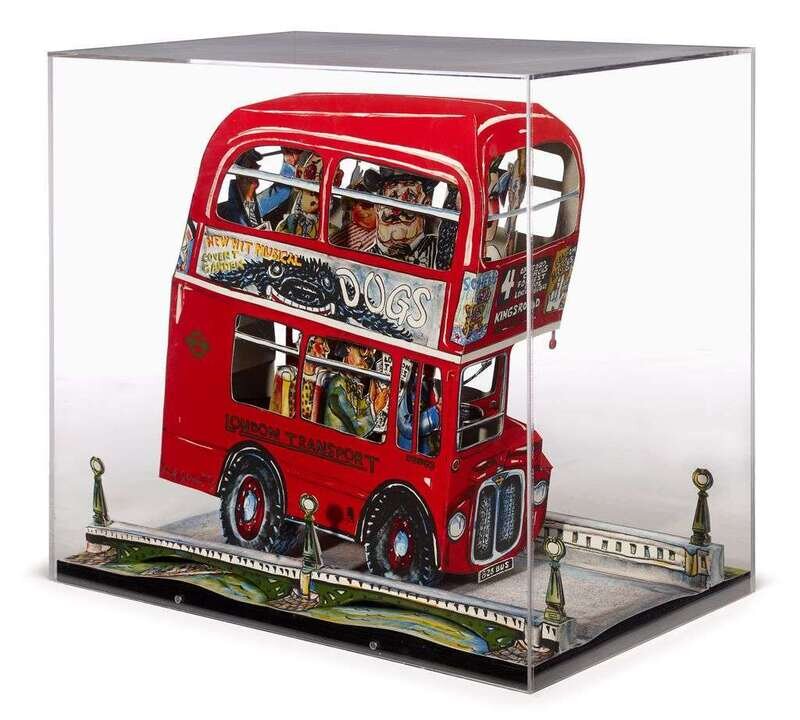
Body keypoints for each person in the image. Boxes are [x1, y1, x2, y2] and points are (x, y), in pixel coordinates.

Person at [367, 168, 442, 269]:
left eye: (410, 198)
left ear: (426, 205)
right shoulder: (362, 257)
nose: (397, 210)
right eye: (390, 199)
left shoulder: (440, 251)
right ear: (377, 207)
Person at [217, 147, 301, 228]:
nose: (256, 172)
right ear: (239, 174)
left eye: (256, 167)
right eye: (250, 167)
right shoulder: (224, 211)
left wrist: (289, 162)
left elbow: (281, 191)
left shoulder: (254, 205)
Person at [276, 153, 323, 239]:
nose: (316, 200)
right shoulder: (287, 225)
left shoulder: (328, 231)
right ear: (299, 173)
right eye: (312, 193)